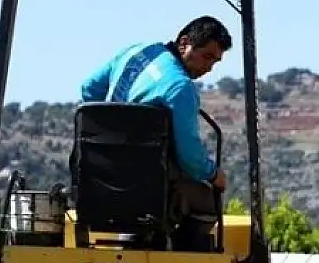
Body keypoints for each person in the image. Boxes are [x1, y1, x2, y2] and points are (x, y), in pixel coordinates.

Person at [78, 16, 232, 251]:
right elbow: (190, 157)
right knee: (208, 200)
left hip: (100, 177)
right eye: (207, 57)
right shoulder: (180, 88)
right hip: (149, 186)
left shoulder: (136, 52)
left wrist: (111, 124)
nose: (209, 67)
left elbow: (89, 88)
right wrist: (213, 175)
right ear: (184, 44)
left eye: (215, 62)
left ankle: (137, 242)